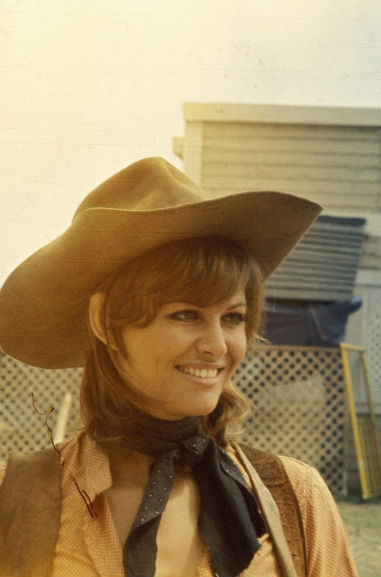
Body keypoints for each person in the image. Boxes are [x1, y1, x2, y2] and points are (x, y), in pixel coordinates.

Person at [0, 157, 359, 577]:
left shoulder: (295, 498)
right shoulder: (17, 497)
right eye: (186, 315)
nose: (216, 346)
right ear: (105, 323)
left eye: (233, 318)